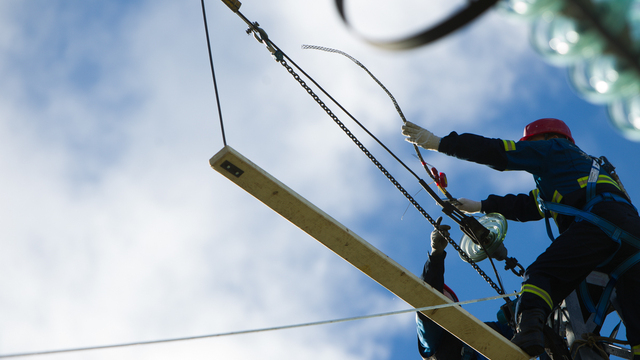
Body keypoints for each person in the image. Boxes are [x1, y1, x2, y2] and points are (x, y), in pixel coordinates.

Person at [403, 118, 640, 359]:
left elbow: (498, 151)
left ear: (549, 137)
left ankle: (530, 332)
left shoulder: (555, 149)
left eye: (530, 143)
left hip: (600, 225)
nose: (528, 148)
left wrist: (442, 143)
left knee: (540, 276)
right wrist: (482, 205)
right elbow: (529, 205)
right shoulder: (575, 172)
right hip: (631, 242)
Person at [417, 217, 516, 360]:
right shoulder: (433, 342)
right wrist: (435, 254)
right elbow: (426, 301)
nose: (441, 298)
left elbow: (522, 332)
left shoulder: (487, 331)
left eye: (444, 296)